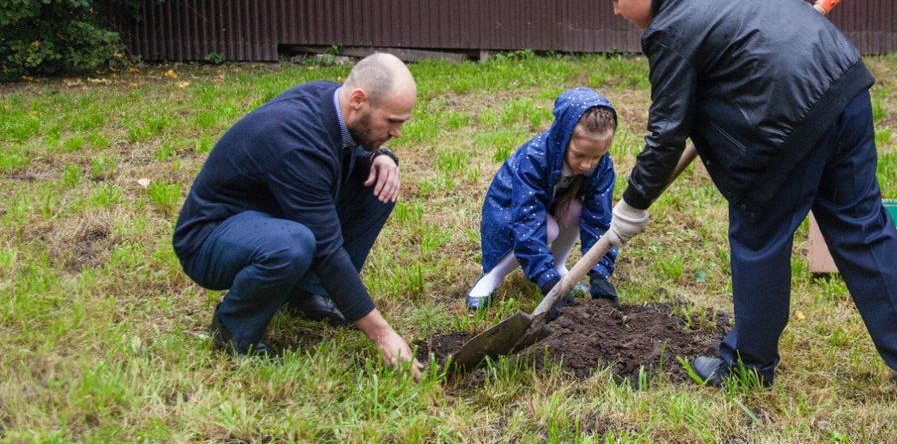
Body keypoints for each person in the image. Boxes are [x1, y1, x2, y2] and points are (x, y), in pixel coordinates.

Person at [577, 0, 897, 399]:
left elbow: (666, 131)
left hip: (785, 130)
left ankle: (751, 364)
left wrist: (632, 205)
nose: (616, 12)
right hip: (843, 88)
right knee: (863, 228)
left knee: (757, 238)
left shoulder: (669, 29)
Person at [173, 52, 423, 379]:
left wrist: (383, 157)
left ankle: (305, 293)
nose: (398, 132)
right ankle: (234, 330)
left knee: (378, 187)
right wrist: (383, 335)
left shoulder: (332, 100)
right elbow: (326, 249)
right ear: (359, 100)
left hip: (267, 215)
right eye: (392, 122)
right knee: (296, 244)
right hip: (210, 238)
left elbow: (346, 150)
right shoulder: (296, 142)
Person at [465, 87, 620, 316]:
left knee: (578, 209)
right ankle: (492, 277)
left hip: (554, 206)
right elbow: (528, 221)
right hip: (510, 209)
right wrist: (546, 280)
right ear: (563, 138)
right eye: (579, 155)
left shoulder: (602, 168)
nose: (587, 165)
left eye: (595, 157)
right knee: (547, 229)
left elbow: (599, 218)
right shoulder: (534, 159)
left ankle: (557, 264)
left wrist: (599, 272)